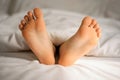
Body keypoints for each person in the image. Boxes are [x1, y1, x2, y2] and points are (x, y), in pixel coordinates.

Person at [19, 8, 101, 66]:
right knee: (65, 34)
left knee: (55, 34)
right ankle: (65, 48)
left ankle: (49, 47)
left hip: (52, 29)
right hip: (67, 32)